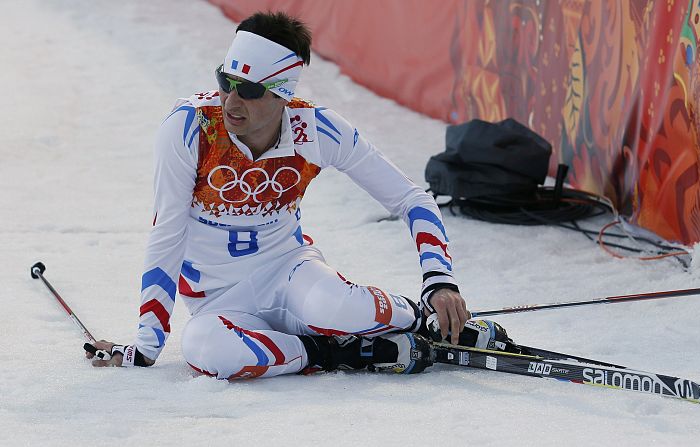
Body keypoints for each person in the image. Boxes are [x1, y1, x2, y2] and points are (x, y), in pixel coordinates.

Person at [85, 11, 476, 379]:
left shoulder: (316, 130)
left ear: (282, 95)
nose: (231, 102)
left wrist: (439, 282)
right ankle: (334, 351)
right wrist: (146, 346)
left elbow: (411, 199)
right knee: (204, 349)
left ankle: (420, 319)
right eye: (226, 82)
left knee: (334, 307)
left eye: (249, 90)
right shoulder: (192, 127)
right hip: (218, 302)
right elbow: (167, 234)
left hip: (291, 274)